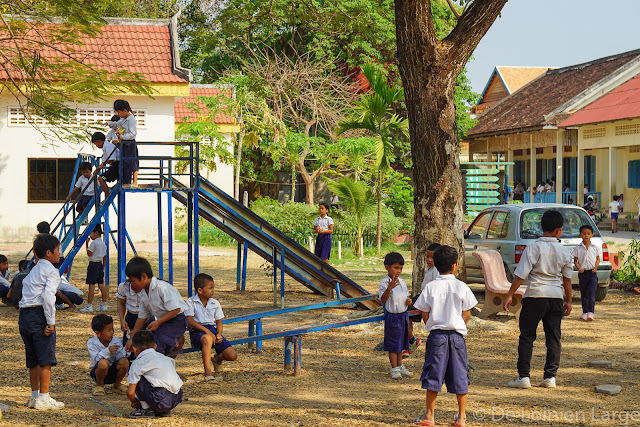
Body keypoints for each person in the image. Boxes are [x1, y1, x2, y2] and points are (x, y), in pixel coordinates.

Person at [504, 210, 573, 389]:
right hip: (555, 297)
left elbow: (520, 275)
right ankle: (550, 377)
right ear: (559, 230)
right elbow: (567, 280)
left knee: (527, 336)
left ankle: (524, 377)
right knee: (553, 338)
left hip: (535, 295)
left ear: (541, 227)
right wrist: (569, 301)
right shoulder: (565, 251)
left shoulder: (533, 248)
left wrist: (510, 294)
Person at [411, 245, 478, 427]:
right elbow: (467, 313)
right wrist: (459, 325)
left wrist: (433, 323)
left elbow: (424, 314)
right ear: (455, 266)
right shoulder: (461, 286)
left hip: (437, 336)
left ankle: (429, 415)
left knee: (433, 373)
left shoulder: (430, 287)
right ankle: (462, 417)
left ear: (435, 264)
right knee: (460, 375)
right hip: (457, 337)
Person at [18, 233, 65, 410]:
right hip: (39, 315)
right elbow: (48, 297)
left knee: (33, 359)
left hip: (25, 316)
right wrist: (51, 322)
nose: (59, 253)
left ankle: (34, 396)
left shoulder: (33, 270)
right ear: (48, 253)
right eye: (57, 250)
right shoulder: (52, 272)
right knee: (46, 358)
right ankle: (44, 399)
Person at [124, 257, 188, 356]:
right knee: (146, 341)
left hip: (176, 321)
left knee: (158, 344)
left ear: (144, 276)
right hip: (161, 321)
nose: (132, 285)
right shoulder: (143, 294)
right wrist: (132, 338)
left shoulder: (162, 288)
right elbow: (142, 317)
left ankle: (158, 366)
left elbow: (176, 309)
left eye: (133, 281)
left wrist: (158, 322)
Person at [185, 273, 237, 380]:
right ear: (200, 290)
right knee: (207, 339)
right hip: (197, 331)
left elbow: (219, 322)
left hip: (212, 330)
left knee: (232, 356)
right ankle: (208, 373)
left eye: (213, 287)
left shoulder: (215, 303)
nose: (213, 290)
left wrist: (218, 334)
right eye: (210, 288)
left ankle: (218, 359)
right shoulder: (191, 302)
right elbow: (189, 321)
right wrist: (206, 332)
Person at [127, 330, 183, 418]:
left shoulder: (138, 362)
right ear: (155, 346)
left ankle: (145, 409)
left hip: (158, 400)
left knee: (137, 377)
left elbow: (130, 393)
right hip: (176, 398)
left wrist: (135, 402)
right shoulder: (165, 358)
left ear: (134, 349)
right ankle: (163, 411)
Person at [379, 252, 413, 380]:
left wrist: (408, 301)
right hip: (393, 316)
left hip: (403, 315)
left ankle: (400, 365)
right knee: (393, 343)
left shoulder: (403, 282)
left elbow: (404, 296)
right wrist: (389, 288)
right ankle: (394, 368)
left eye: (400, 268)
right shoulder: (384, 282)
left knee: (401, 342)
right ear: (387, 267)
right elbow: (383, 299)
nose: (398, 271)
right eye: (395, 268)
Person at [87, 314, 129, 396]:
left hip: (113, 372)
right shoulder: (91, 343)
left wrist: (127, 351)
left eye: (113, 329)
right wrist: (107, 351)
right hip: (98, 372)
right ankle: (99, 385)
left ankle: (117, 385)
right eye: (108, 330)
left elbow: (120, 357)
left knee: (125, 361)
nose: (112, 333)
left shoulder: (116, 341)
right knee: (103, 363)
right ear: (98, 333)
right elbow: (96, 360)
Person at [572, 225, 601, 321]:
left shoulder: (595, 247)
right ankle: (584, 312)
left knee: (591, 292)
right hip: (583, 273)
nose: (586, 236)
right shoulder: (578, 248)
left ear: (592, 235)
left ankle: (591, 312)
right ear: (580, 235)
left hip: (592, 273)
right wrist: (579, 268)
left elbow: (597, 259)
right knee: (584, 293)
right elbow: (575, 260)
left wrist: (595, 268)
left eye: (588, 234)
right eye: (584, 234)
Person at [80, 225, 108, 313]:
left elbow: (89, 253)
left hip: (93, 265)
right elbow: (104, 257)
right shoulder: (103, 244)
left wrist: (86, 243)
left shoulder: (94, 243)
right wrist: (103, 267)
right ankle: (104, 304)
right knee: (101, 285)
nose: (90, 235)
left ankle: (89, 306)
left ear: (96, 233)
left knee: (91, 285)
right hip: (99, 264)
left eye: (91, 233)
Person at [112, 100, 138, 187]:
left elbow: (132, 133)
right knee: (124, 163)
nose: (119, 114)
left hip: (128, 144)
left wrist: (121, 137)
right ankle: (123, 181)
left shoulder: (130, 120)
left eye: (119, 112)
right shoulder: (124, 120)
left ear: (124, 111)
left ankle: (128, 182)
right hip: (123, 144)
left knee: (128, 162)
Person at [117, 279, 144, 356]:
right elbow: (122, 304)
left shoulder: (148, 289)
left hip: (145, 318)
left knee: (143, 345)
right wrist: (122, 320)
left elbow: (148, 313)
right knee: (128, 347)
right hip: (131, 317)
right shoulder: (124, 287)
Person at [92, 131, 120, 198]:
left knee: (101, 178)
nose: (97, 146)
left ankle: (107, 196)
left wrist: (101, 166)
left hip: (117, 166)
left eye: (96, 144)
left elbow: (111, 159)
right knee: (102, 177)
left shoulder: (108, 146)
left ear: (98, 141)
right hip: (114, 166)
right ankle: (107, 189)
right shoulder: (105, 147)